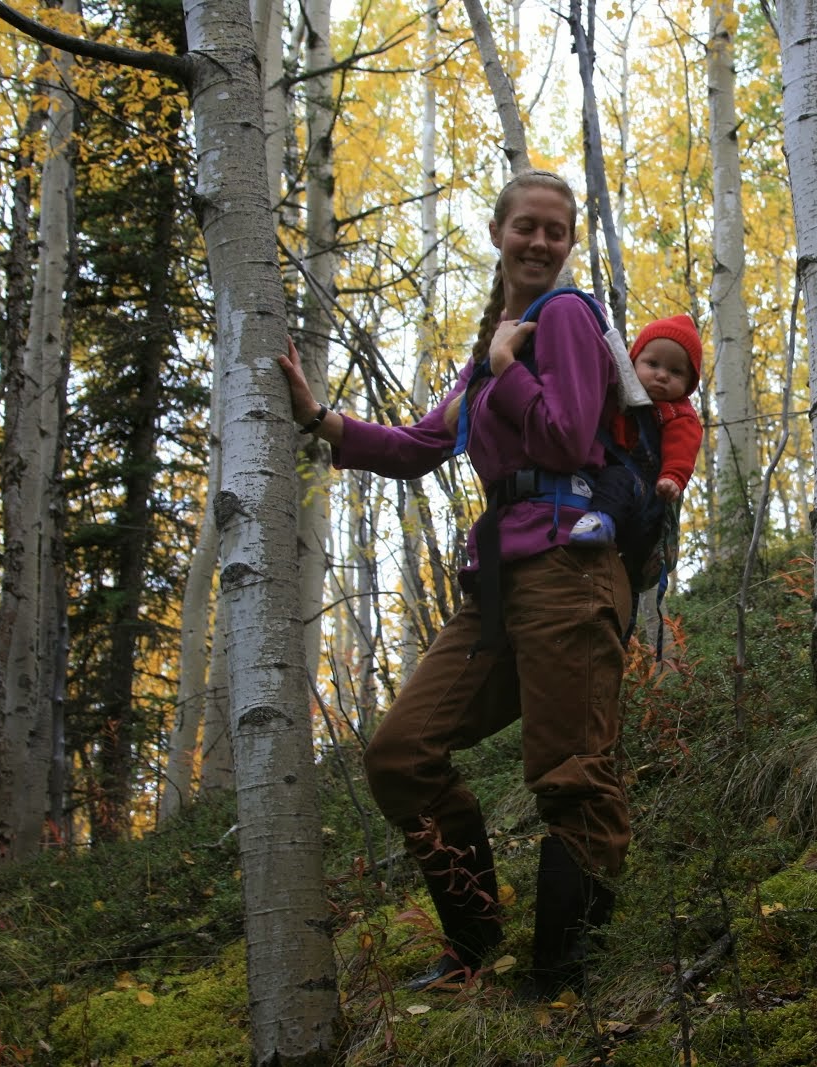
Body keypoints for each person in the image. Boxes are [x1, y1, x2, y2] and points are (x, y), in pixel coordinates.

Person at [277, 170, 632, 998]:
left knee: (570, 770)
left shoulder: (569, 317)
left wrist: (509, 364)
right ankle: (475, 944)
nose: (541, 242)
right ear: (498, 232)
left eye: (557, 230)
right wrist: (319, 419)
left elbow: (569, 434)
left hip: (571, 570)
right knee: (401, 753)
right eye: (527, 227)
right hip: (502, 587)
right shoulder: (491, 349)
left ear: (570, 242)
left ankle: (562, 976)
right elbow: (417, 444)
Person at [568, 314, 703, 547]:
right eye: (652, 364)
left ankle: (601, 523)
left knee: (618, 479)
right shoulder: (620, 396)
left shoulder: (678, 414)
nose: (662, 375)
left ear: (689, 382)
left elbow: (683, 447)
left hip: (645, 491)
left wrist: (673, 477)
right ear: (634, 362)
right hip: (608, 480)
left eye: (676, 372)